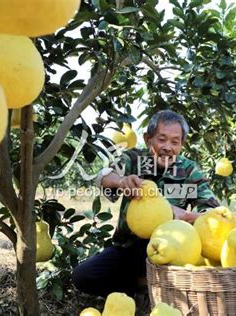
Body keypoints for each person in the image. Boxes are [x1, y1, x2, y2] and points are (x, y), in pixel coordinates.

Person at [71, 110, 220, 298]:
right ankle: (141, 285)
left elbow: (213, 213)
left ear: (182, 144)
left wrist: (185, 216)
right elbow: (103, 177)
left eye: (175, 142)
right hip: (127, 249)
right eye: (162, 139)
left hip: (171, 251)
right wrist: (121, 181)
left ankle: (152, 287)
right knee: (83, 276)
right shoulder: (133, 159)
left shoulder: (189, 170)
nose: (168, 147)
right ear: (148, 138)